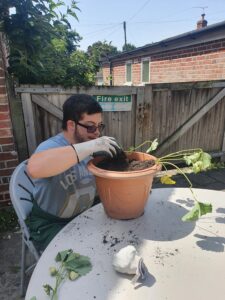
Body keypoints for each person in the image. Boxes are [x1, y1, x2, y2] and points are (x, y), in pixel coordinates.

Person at [27, 94, 119, 251]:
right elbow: (34, 169)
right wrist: (90, 147)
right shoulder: (51, 147)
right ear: (71, 125)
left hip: (83, 216)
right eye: (90, 126)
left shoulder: (91, 146)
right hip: (51, 223)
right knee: (83, 258)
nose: (97, 132)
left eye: (99, 126)